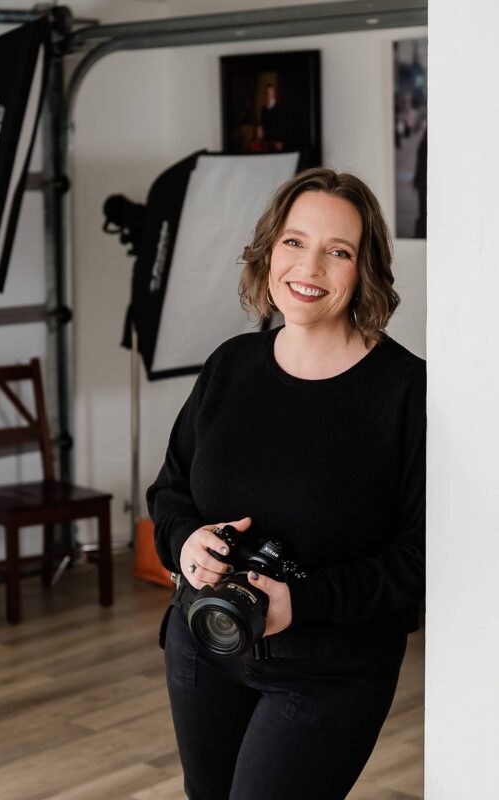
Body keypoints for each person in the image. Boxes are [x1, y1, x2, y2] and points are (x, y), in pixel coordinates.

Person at [145, 166, 426, 800]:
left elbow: (420, 555)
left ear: (365, 270)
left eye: (339, 251)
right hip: (203, 642)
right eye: (295, 241)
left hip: (329, 673)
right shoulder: (230, 365)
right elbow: (169, 491)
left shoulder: (406, 392)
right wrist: (186, 541)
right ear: (270, 249)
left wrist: (306, 601)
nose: (310, 267)